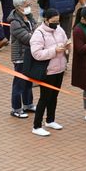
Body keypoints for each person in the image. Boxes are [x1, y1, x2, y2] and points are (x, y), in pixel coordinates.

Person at [29, 8, 69, 136]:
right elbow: (36, 54)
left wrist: (66, 47)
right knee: (44, 98)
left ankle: (50, 120)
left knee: (54, 96)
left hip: (60, 68)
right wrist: (54, 51)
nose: (56, 23)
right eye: (53, 21)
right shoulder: (38, 33)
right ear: (46, 20)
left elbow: (63, 41)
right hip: (48, 71)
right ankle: (36, 126)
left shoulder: (59, 29)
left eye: (58, 21)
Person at [7, 0, 36, 118]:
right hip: (20, 56)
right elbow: (26, 37)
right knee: (19, 83)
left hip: (29, 55)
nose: (29, 7)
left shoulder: (29, 17)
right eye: (26, 5)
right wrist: (36, 37)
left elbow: (36, 28)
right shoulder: (15, 21)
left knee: (28, 81)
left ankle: (28, 104)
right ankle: (16, 108)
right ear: (19, 7)